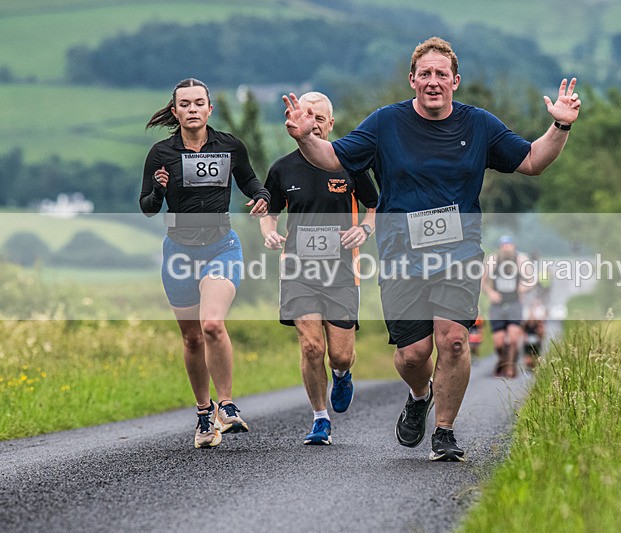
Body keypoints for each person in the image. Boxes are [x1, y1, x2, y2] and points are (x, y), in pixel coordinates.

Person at [283, 37, 580, 461]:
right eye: (426, 73)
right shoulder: (386, 123)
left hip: (459, 252)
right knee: (413, 354)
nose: (434, 81)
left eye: (442, 74)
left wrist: (561, 126)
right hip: (400, 254)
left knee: (454, 340)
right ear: (412, 80)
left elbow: (532, 161)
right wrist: (304, 137)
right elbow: (333, 158)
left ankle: (445, 431)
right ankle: (419, 395)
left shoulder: (478, 124)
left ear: (455, 81)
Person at [139, 78, 271, 449]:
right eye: (185, 104)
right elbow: (147, 208)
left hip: (221, 247)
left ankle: (226, 406)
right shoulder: (161, 154)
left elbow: (250, 181)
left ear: (209, 109)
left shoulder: (229, 146)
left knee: (212, 324)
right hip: (180, 253)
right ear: (175, 110)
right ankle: (203, 414)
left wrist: (261, 196)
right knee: (192, 338)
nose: (193, 109)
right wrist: (159, 192)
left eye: (200, 103)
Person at [260, 92, 378, 445]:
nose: (313, 123)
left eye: (319, 118)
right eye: (306, 117)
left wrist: (365, 229)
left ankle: (342, 374)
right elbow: (268, 208)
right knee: (312, 346)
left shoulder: (350, 165)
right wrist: (269, 232)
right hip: (298, 269)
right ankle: (320, 418)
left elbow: (376, 207)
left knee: (339, 354)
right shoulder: (283, 168)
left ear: (330, 124)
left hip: (342, 271)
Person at [481, 235, 534, 378]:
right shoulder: (493, 260)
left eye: (509, 245)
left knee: (513, 339)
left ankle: (510, 367)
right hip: (497, 305)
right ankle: (503, 360)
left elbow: (531, 280)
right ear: (500, 247)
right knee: (499, 343)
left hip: (515, 303)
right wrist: (490, 293)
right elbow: (483, 281)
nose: (506, 248)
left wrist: (524, 287)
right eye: (504, 245)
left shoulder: (521, 260)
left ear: (514, 246)